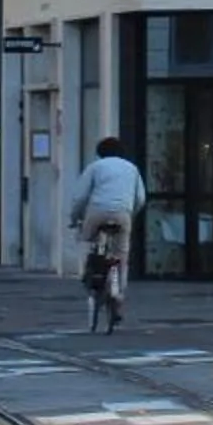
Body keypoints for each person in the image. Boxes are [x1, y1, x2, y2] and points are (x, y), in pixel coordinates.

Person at [65, 134, 149, 324]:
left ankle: (86, 272)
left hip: (97, 212)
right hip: (123, 214)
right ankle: (118, 295)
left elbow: (80, 197)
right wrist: (129, 212)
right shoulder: (132, 169)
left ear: (100, 153)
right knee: (121, 255)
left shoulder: (95, 167)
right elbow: (141, 198)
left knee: (86, 241)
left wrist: (74, 218)